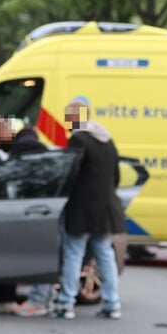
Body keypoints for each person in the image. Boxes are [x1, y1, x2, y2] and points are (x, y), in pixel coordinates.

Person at [53, 99, 124, 319]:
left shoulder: (78, 139)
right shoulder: (106, 139)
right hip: (104, 209)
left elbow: (69, 173)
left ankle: (66, 304)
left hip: (81, 208)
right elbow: (117, 175)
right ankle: (112, 304)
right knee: (105, 255)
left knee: (74, 254)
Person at [0, 116, 56, 317]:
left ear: (1, 133)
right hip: (44, 208)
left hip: (32, 210)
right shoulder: (29, 144)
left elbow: (10, 178)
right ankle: (45, 299)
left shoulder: (22, 150)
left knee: (32, 254)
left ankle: (37, 300)